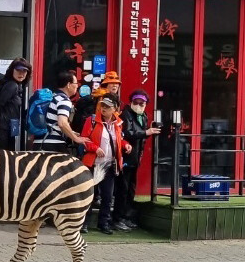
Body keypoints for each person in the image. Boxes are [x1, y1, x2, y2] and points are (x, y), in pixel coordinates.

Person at [79, 93, 132, 234]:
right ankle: (83, 223)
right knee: (90, 195)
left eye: (107, 107)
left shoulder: (118, 123)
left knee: (108, 197)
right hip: (93, 164)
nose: (104, 109)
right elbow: (84, 139)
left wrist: (126, 145)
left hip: (109, 165)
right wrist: (95, 148)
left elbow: (119, 140)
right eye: (102, 105)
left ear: (114, 109)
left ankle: (103, 223)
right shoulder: (91, 120)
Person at [112, 89, 161, 231]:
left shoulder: (143, 116)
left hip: (135, 159)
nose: (139, 105)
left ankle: (125, 217)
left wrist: (148, 132)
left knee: (130, 190)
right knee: (122, 189)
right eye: (136, 102)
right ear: (131, 102)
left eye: (142, 103)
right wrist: (146, 132)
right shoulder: (125, 114)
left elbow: (141, 137)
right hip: (125, 157)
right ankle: (117, 218)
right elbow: (127, 133)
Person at [36, 71, 87, 153]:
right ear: (68, 85)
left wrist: (71, 132)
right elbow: (62, 123)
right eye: (76, 83)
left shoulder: (53, 97)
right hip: (53, 145)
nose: (77, 86)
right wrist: (75, 138)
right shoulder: (64, 100)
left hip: (39, 142)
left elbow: (52, 120)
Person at [0, 57, 32, 150]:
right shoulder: (12, 85)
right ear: (12, 70)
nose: (21, 74)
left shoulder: (18, 86)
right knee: (2, 158)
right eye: (18, 70)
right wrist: (0, 126)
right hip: (3, 129)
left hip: (9, 128)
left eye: (24, 71)